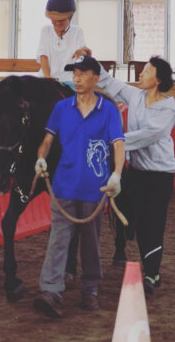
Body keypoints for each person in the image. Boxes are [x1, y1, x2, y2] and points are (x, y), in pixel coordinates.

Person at [31, 55, 124, 318]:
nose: (77, 78)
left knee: (91, 242)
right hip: (63, 186)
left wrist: (116, 174)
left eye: (82, 74)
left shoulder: (108, 110)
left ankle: (90, 289)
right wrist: (41, 158)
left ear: (95, 78)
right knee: (58, 240)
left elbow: (118, 144)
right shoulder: (61, 108)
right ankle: (51, 291)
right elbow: (48, 140)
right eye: (74, 74)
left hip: (96, 189)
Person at [96, 55, 175, 296]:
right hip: (137, 172)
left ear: (158, 79)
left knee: (153, 224)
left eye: (147, 71)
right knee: (138, 220)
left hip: (160, 176)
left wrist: (115, 141)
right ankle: (145, 264)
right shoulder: (136, 96)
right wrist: (90, 61)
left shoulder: (168, 108)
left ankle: (152, 274)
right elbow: (109, 82)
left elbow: (149, 135)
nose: (141, 74)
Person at [37, 0, 90, 83]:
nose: (57, 23)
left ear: (70, 16)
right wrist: (47, 77)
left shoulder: (77, 31)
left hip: (68, 80)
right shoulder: (46, 31)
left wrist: (82, 52)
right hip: (46, 79)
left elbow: (83, 53)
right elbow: (43, 56)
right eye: (54, 20)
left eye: (61, 20)